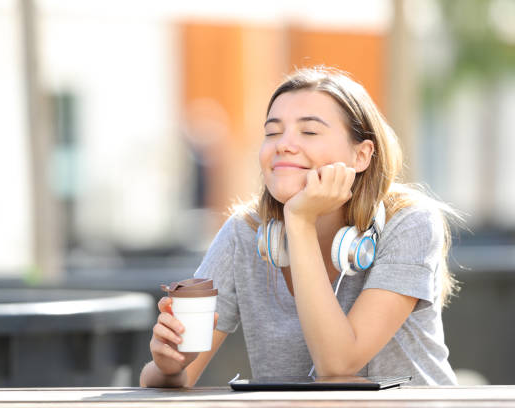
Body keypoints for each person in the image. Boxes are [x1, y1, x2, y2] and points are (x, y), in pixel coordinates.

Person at [139, 66, 461, 387]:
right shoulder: (244, 233)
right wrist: (168, 368)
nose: (283, 145)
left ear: (361, 155)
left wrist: (301, 221)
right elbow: (168, 382)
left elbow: (337, 366)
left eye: (309, 132)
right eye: (272, 132)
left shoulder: (409, 223)